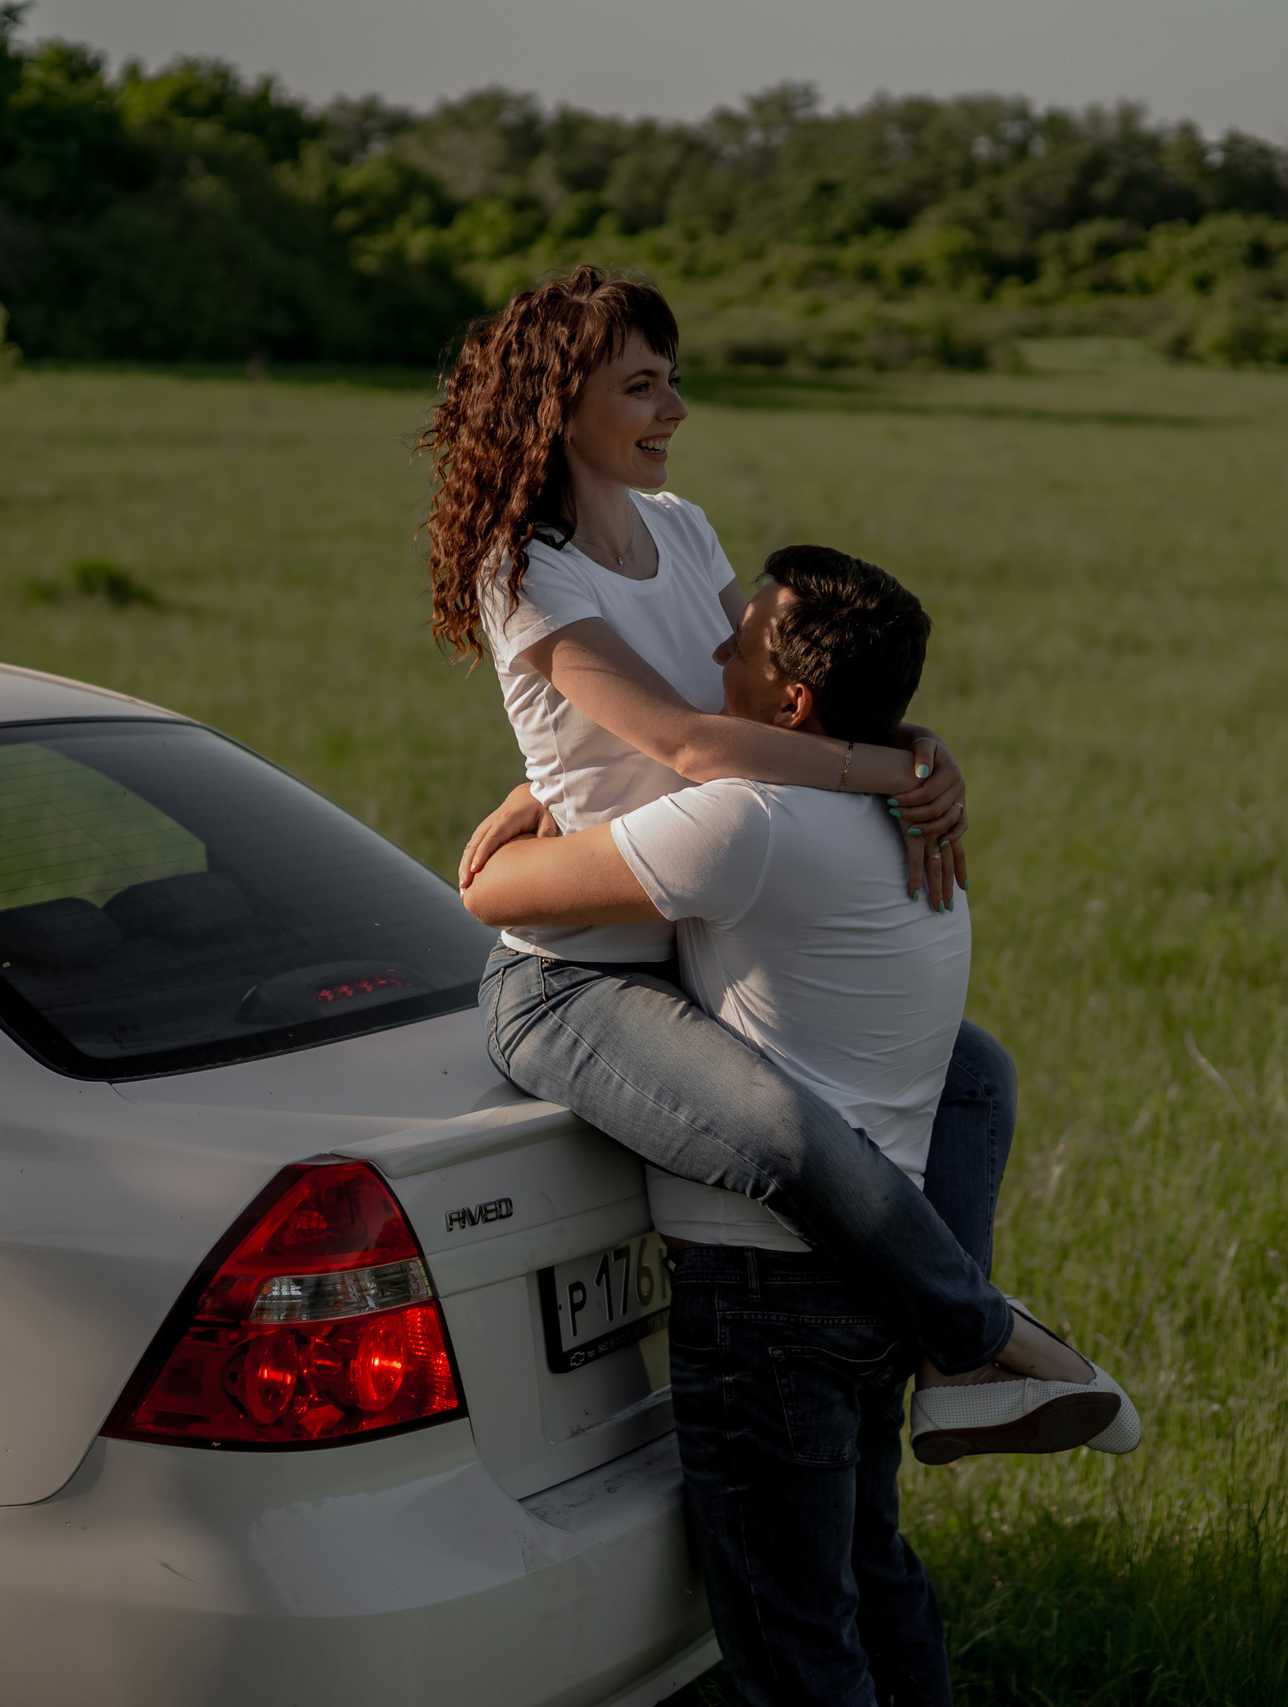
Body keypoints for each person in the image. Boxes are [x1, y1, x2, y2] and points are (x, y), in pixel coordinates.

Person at [461, 549, 1138, 1707]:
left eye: (745, 637)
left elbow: (489, 891)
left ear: (792, 705)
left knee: (793, 1645)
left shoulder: (741, 824)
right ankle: (967, 1340)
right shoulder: (906, 812)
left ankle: (985, 1337)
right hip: (870, 1267)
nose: (715, 645)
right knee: (874, 1576)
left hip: (766, 1298)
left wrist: (536, 797)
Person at [427, 265, 1092, 1443]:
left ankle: (942, 1373)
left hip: (697, 926)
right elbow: (686, 741)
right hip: (576, 973)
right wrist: (898, 771)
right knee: (785, 1132)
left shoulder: (683, 531)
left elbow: (776, 701)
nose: (675, 409)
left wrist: (916, 742)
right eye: (642, 387)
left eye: (672, 381)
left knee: (972, 1072)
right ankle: (978, 1338)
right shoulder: (526, 570)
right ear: (558, 405)